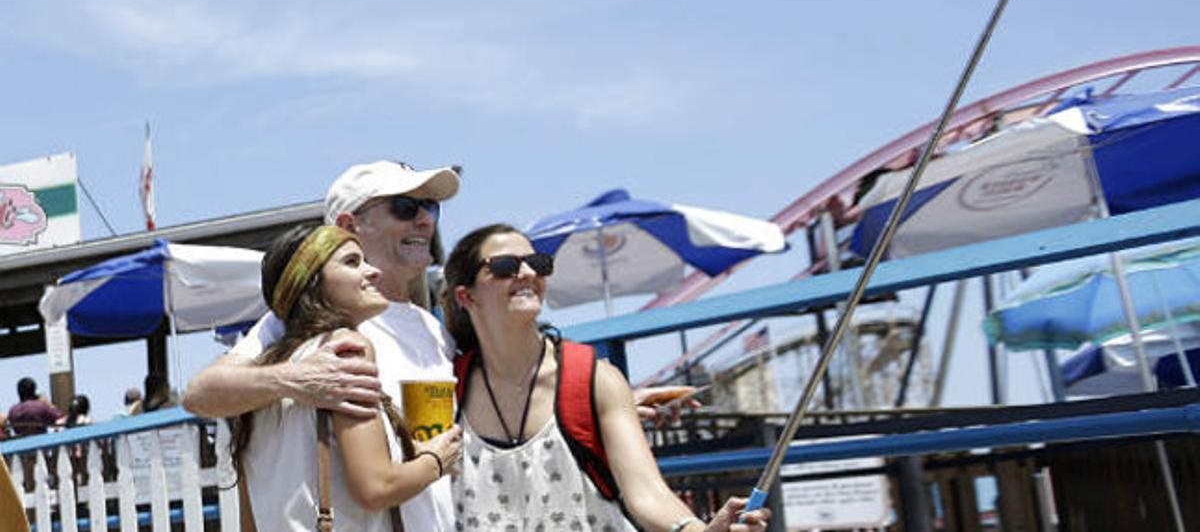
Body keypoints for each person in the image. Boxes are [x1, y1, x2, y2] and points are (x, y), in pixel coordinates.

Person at [185, 160, 464, 530]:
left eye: (431, 207)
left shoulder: (432, 329)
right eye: (405, 207)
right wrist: (297, 380)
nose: (426, 221)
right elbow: (200, 394)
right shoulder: (320, 332)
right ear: (350, 225)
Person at [442, 223, 770, 532]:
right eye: (504, 266)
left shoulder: (595, 380)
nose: (528, 273)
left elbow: (646, 494)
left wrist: (697, 529)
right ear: (466, 297)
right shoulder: (445, 388)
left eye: (538, 263)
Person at [232, 223, 463, 530]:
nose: (373, 272)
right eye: (353, 262)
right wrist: (435, 461)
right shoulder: (346, 349)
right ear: (312, 282)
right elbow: (374, 487)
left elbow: (249, 519)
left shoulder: (261, 376)